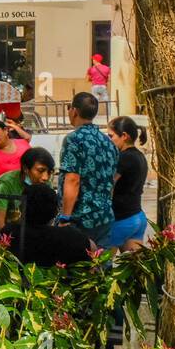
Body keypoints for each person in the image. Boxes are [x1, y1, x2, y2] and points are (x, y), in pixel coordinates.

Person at [58, 91, 119, 247]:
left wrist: (65, 217)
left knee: (77, 268)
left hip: (81, 219)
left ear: (75, 111)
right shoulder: (109, 143)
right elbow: (111, 181)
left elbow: (72, 180)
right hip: (104, 216)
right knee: (100, 267)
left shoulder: (73, 139)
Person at [5, 184, 92, 268]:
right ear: (55, 211)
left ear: (21, 208)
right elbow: (94, 253)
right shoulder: (74, 237)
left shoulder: (9, 234)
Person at [0, 146, 55, 241]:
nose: (45, 177)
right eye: (40, 171)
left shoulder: (46, 184)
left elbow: (48, 218)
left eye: (49, 172)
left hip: (25, 234)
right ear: (25, 169)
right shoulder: (5, 183)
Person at [106, 116, 150, 252]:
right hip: (137, 217)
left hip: (121, 220)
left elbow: (109, 185)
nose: (109, 140)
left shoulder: (124, 157)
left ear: (124, 136)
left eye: (111, 136)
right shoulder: (140, 156)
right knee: (134, 269)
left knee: (100, 267)